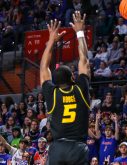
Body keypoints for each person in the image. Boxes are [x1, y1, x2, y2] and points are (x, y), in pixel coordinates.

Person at [40, 11, 91, 165]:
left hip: (57, 148)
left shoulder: (52, 93)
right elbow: (85, 60)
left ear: (55, 82)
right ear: (73, 78)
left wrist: (51, 41)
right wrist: (80, 32)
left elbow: (43, 67)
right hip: (77, 147)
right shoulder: (80, 89)